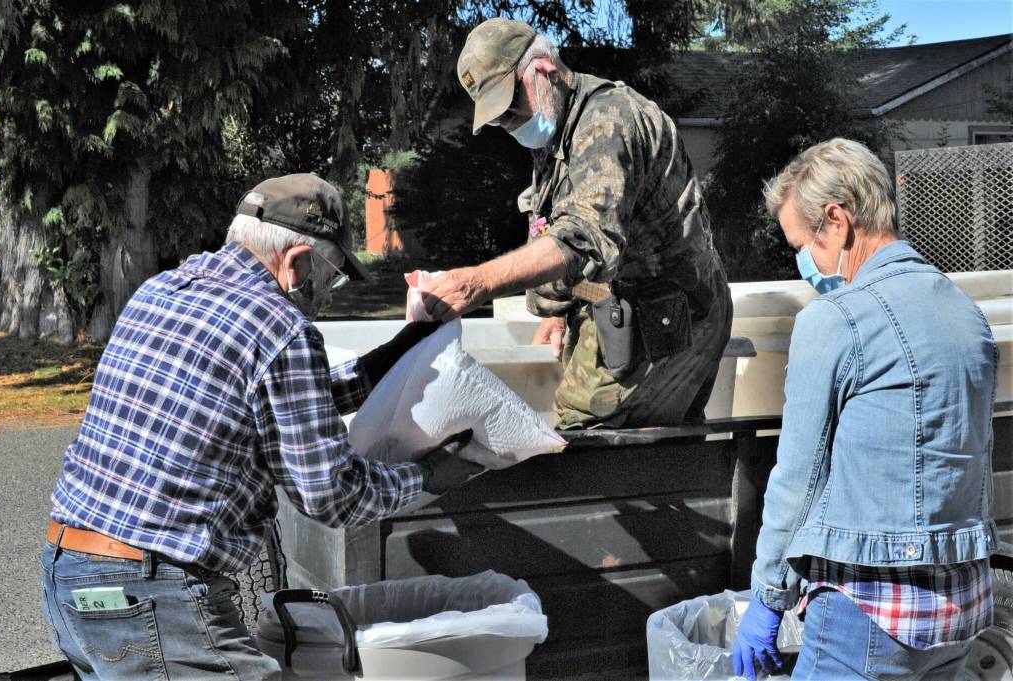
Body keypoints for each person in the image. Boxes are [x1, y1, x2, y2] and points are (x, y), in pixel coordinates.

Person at [40, 174, 482, 679]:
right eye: (332, 276)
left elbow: (278, 401)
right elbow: (332, 496)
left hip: (68, 574)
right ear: (296, 263)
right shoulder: (280, 327)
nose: (328, 294)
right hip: (151, 595)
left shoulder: (163, 289)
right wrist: (430, 476)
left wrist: (407, 345)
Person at [732, 139, 999, 680]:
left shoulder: (836, 320)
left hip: (872, 612)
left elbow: (798, 480)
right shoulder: (966, 313)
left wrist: (768, 595)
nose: (805, 263)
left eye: (803, 244)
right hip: (961, 610)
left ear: (837, 219)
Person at [419, 18, 732, 429]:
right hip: (621, 305)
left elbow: (583, 238)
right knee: (651, 453)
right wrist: (555, 311)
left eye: (511, 106)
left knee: (584, 435)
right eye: (497, 118)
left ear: (545, 70)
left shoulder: (607, 122)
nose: (507, 124)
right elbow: (555, 227)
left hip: (668, 313)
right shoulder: (558, 129)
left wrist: (476, 282)